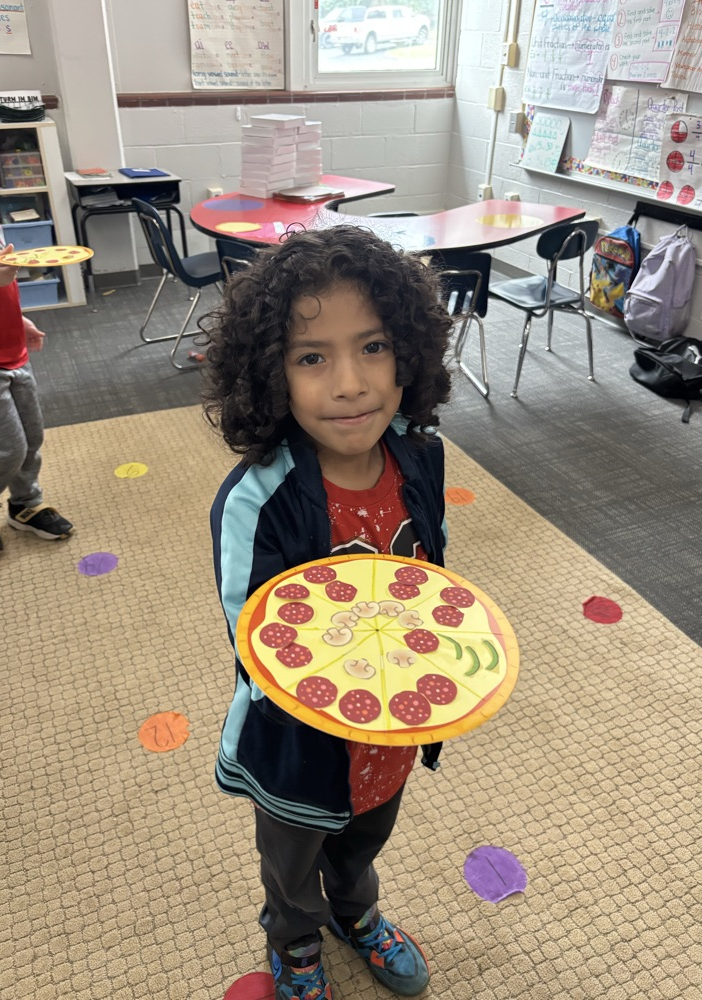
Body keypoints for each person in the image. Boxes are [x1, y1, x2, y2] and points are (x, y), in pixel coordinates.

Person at [203, 225, 453, 1000]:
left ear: (407, 352)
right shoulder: (257, 500)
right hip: (297, 746)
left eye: (373, 347)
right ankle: (296, 940)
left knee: (366, 835)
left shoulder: (421, 452)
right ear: (270, 375)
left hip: (392, 731)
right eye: (313, 357)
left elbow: (429, 574)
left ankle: (356, 911)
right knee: (291, 856)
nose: (350, 383)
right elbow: (258, 641)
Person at [0, 127, 73, 558]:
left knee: (31, 436)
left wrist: (15, 317)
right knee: (4, 449)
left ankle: (25, 504)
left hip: (6, 343)